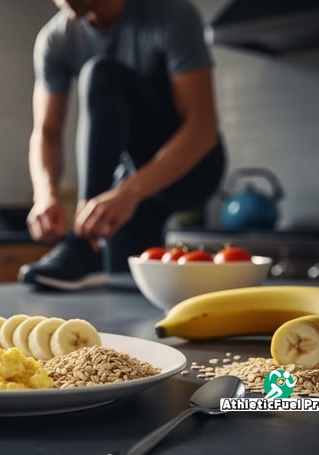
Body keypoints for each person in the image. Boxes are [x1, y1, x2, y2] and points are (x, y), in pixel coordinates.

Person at [19, 0, 226, 291]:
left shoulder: (172, 15)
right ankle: (89, 247)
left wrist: (130, 192)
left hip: (193, 168)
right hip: (127, 180)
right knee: (125, 283)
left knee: (100, 73)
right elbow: (46, 132)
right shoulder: (55, 39)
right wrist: (45, 194)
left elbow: (202, 128)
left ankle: (82, 240)